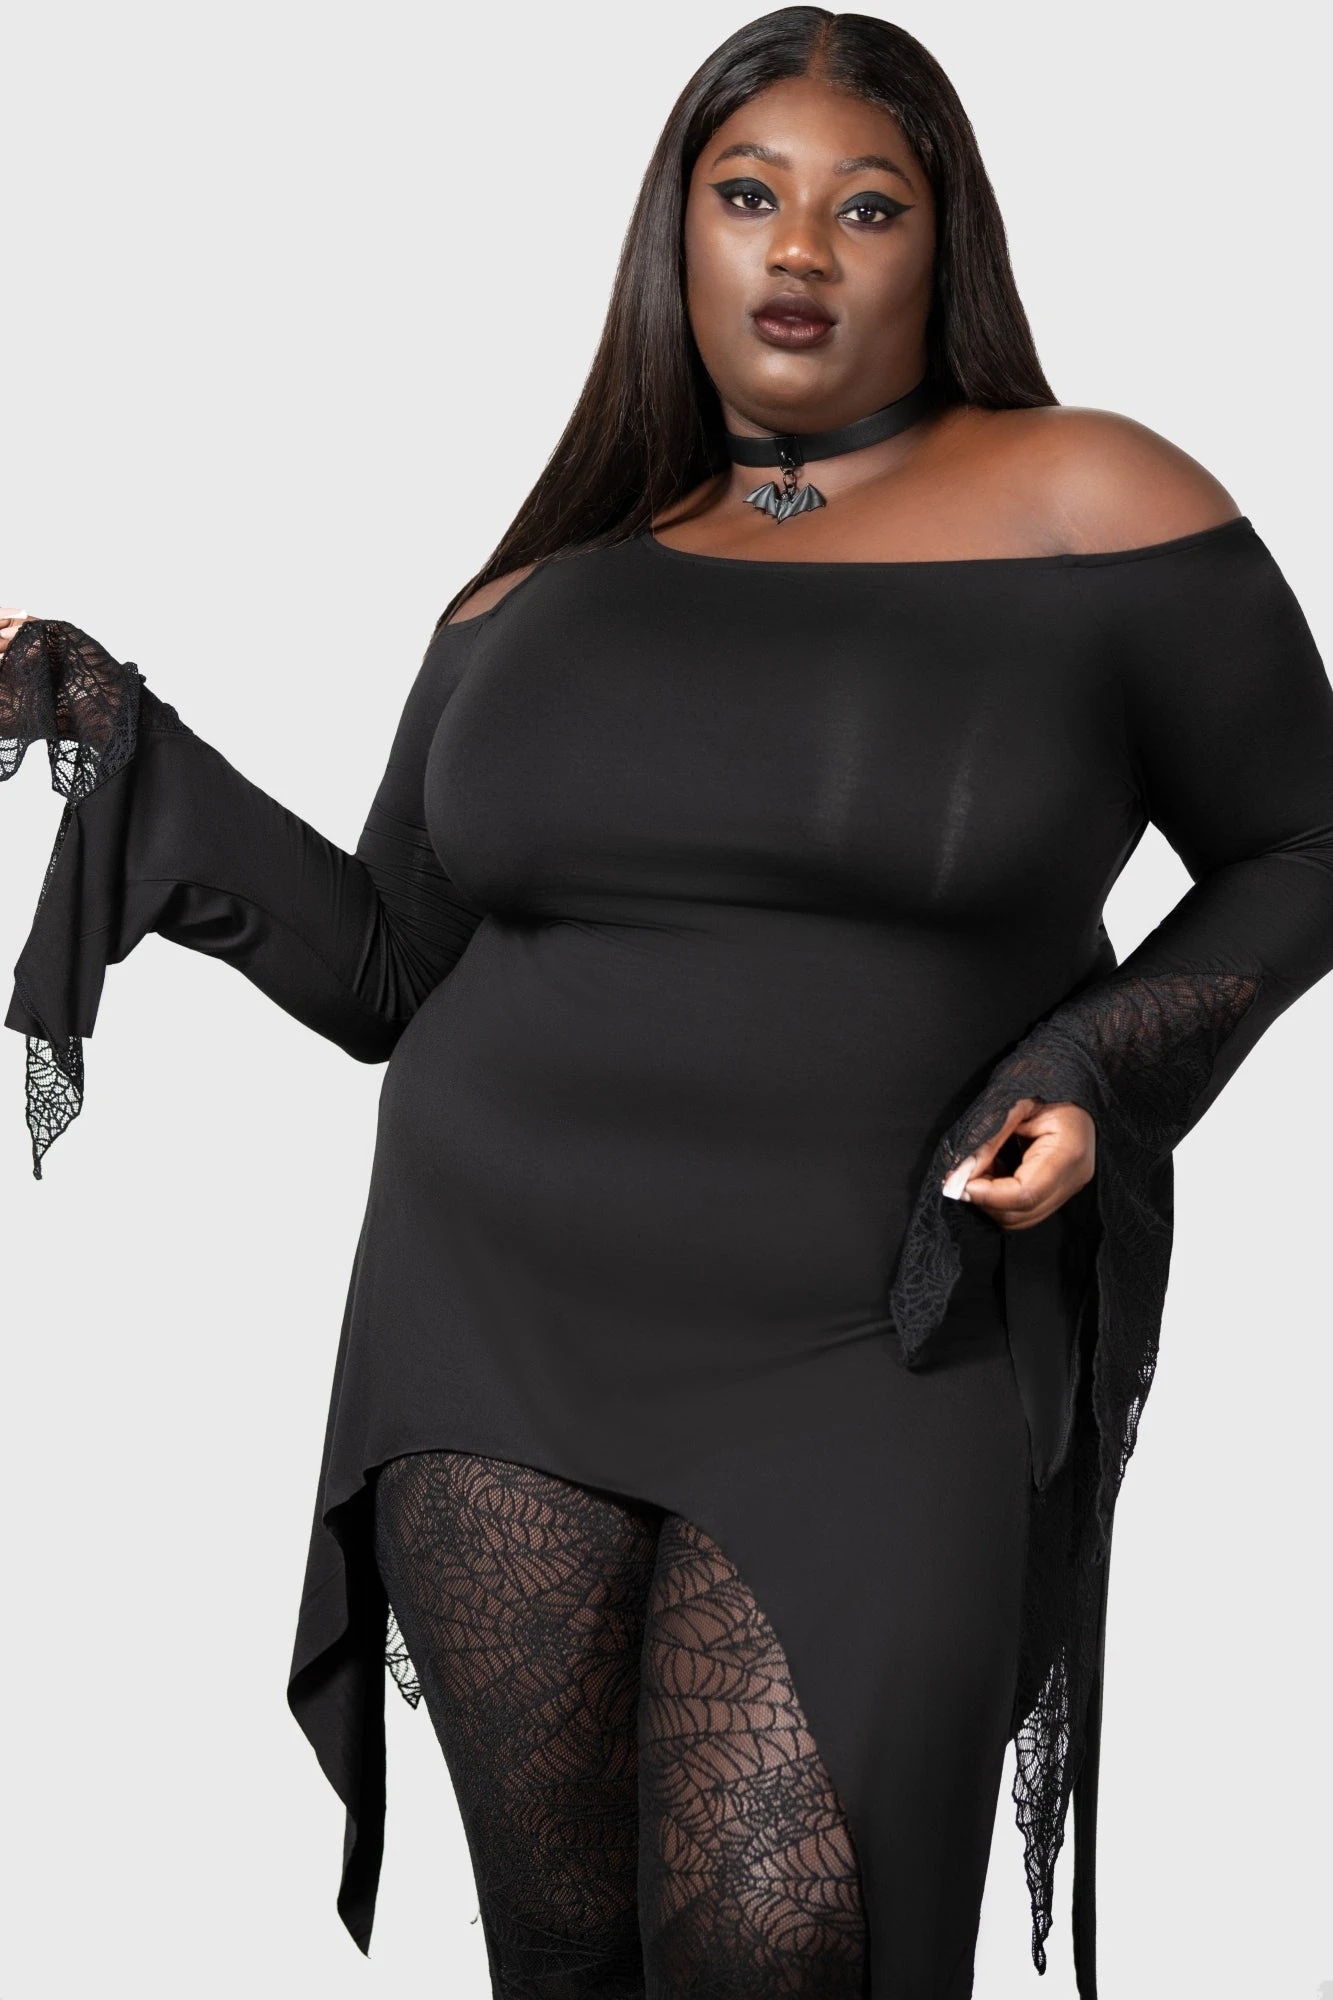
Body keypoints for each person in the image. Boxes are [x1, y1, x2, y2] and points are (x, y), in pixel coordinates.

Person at [4, 9, 1332, 1998]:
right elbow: (392, 969)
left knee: (789, 1940)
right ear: (675, 234)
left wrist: (1101, 1063)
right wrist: (117, 723)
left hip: (880, 1341)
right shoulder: (547, 581)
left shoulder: (1092, 502)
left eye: (864, 207)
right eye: (747, 195)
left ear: (943, 245)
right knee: (567, 1952)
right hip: (496, 1327)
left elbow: (1303, 839)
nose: (798, 247)